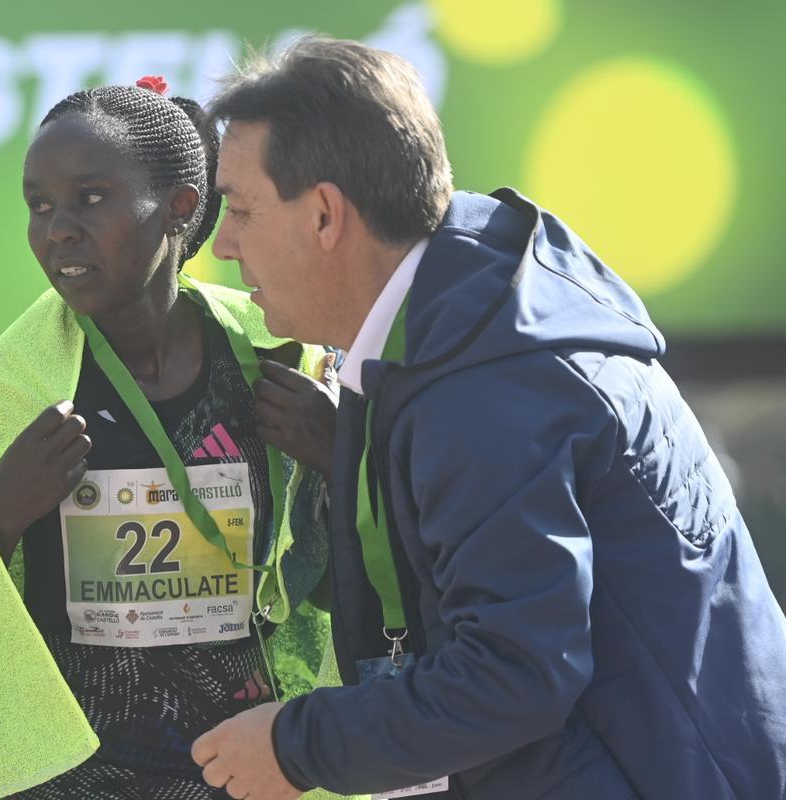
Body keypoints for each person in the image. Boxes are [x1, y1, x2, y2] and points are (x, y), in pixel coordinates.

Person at [191, 36, 786, 800]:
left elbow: (515, 676)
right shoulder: (461, 324)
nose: (225, 244)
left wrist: (294, 747)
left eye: (239, 210)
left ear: (325, 215)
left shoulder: (487, 388)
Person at [0, 76, 337, 800]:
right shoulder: (13, 383)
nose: (58, 229)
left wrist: (338, 456)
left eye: (90, 199)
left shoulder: (274, 355)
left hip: (244, 768)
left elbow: (353, 573)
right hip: (67, 775)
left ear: (180, 206)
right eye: (40, 206)